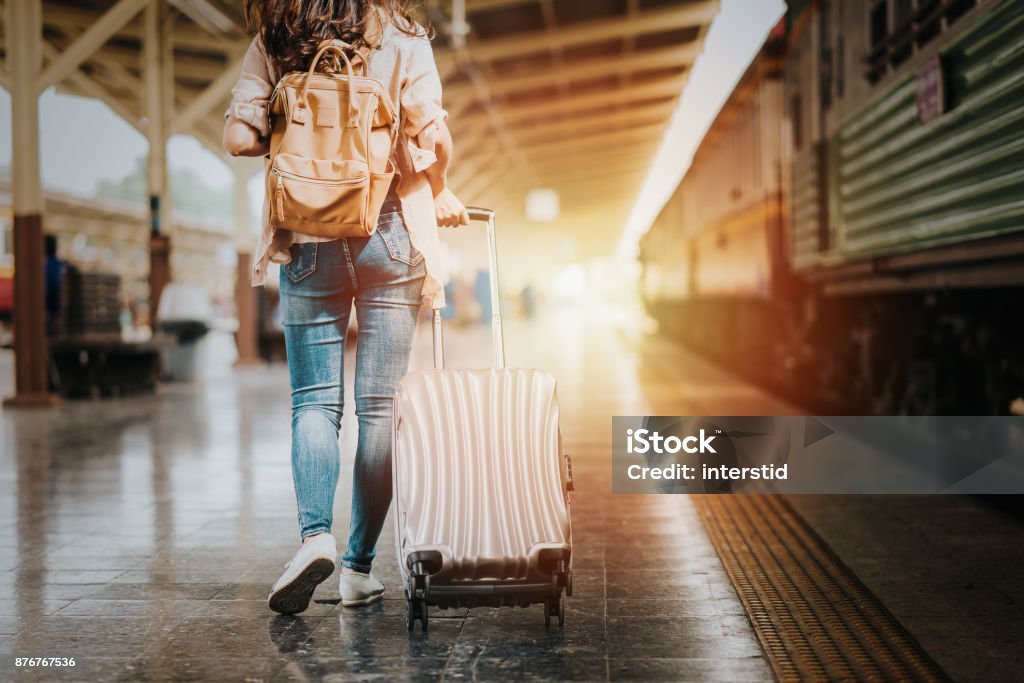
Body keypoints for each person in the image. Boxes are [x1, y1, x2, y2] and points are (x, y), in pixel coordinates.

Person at [223, 0, 469, 615]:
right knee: (380, 411)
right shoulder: (404, 33)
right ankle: (358, 569)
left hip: (308, 235)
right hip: (389, 231)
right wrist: (439, 191)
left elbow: (237, 137)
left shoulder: (275, 36)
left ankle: (314, 538)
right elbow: (431, 138)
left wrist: (294, 130)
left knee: (314, 403)